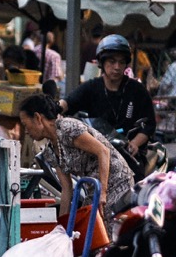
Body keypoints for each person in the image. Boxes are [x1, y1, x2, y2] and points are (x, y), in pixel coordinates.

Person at [19, 93, 134, 223]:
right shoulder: (50, 151)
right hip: (94, 188)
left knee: (102, 231)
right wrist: (61, 226)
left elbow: (103, 151)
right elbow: (66, 189)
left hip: (116, 181)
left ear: (38, 118)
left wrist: (102, 193)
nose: (26, 131)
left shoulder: (68, 128)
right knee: (84, 228)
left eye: (25, 124)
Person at [59, 34, 156, 159]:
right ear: (102, 62)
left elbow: (149, 124)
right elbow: (68, 102)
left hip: (129, 155)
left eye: (121, 62)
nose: (117, 67)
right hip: (96, 152)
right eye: (112, 61)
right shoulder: (91, 87)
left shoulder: (137, 90)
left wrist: (135, 143)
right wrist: (54, 109)